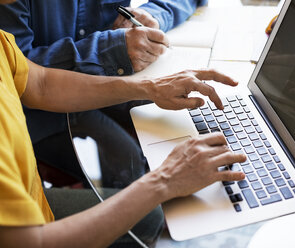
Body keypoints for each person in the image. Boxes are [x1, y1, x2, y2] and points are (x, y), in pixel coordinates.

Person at [0, 3, 247, 245]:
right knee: (148, 217)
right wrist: (163, 181)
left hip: (29, 196)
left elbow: (40, 83)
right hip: (35, 220)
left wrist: (152, 88)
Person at [0, 0, 208, 186]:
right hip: (36, 115)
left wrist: (154, 15)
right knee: (130, 163)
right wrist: (110, 49)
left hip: (114, 76)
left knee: (190, 121)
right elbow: (20, 73)